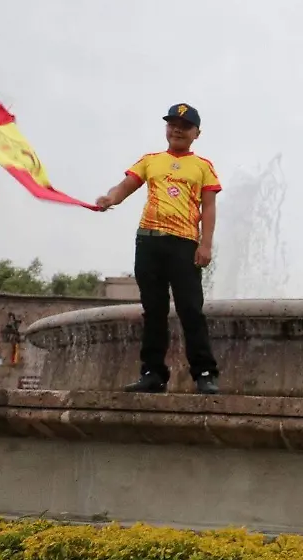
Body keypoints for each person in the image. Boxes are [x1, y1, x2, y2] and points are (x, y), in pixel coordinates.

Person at [95, 103, 221, 394]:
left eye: (184, 126)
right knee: (154, 310)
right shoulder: (150, 160)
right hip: (149, 242)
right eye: (172, 124)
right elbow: (125, 186)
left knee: (191, 309)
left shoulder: (203, 166)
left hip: (185, 244)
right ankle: (152, 373)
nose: (177, 129)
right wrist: (110, 199)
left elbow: (210, 207)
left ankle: (204, 373)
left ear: (196, 133)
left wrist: (206, 244)